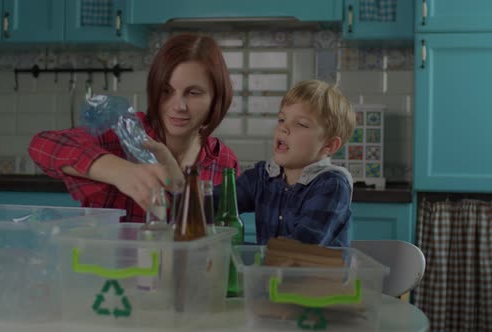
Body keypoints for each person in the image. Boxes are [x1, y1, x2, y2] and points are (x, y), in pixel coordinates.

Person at [28, 33, 240, 223]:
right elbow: (43, 145)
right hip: (106, 265)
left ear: (216, 98)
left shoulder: (225, 163)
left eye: (193, 93)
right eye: (166, 91)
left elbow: (218, 240)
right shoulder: (124, 132)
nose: (179, 106)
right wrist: (121, 172)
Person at [216, 79, 356, 247]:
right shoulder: (263, 176)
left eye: (301, 124)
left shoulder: (332, 185)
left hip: (314, 274)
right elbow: (216, 202)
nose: (284, 128)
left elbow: (300, 249)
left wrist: (235, 250)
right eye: (282, 119)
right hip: (273, 272)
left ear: (329, 145)